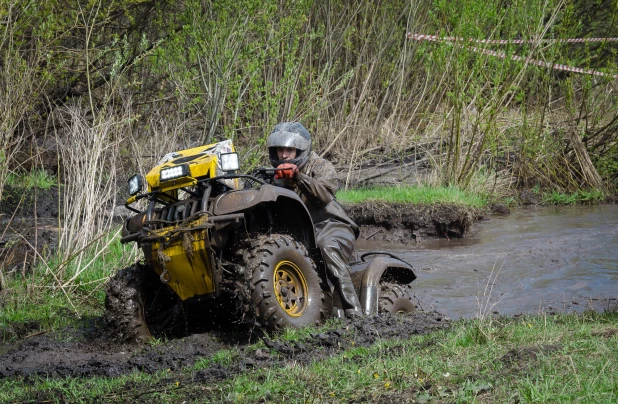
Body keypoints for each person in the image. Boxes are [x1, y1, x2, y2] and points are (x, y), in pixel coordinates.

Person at [267, 122, 363, 317]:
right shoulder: (271, 176)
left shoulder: (321, 166)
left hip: (331, 227)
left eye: (289, 150)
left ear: (300, 150)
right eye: (280, 150)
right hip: (302, 235)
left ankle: (354, 313)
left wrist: (298, 178)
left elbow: (324, 195)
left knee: (326, 246)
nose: (284, 155)